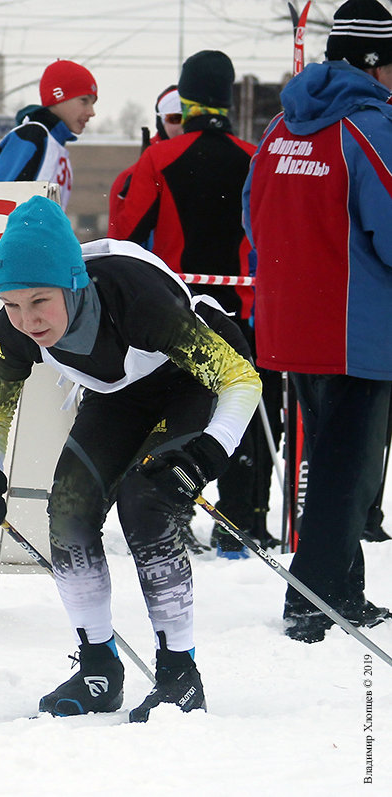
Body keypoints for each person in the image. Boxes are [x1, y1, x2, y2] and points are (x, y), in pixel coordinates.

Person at [0, 195, 262, 721]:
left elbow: (240, 380)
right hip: (118, 394)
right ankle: (99, 669)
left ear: (73, 284)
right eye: (10, 304)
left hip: (190, 382)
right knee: (68, 511)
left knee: (146, 501)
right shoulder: (15, 326)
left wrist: (206, 454)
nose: (26, 320)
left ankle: (179, 675)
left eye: (38, 302)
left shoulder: (134, 296)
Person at [242, 0, 392, 643]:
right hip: (358, 329)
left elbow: (252, 217)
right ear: (371, 63)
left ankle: (343, 593)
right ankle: (310, 600)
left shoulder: (282, 128)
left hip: (292, 326)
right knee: (348, 471)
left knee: (333, 462)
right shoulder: (372, 129)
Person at [113, 50, 281, 556]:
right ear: (227, 99)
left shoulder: (159, 158)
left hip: (179, 310)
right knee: (247, 410)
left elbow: (124, 238)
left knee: (183, 412)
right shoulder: (256, 156)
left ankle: (171, 515)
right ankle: (242, 526)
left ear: (183, 100)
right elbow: (273, 233)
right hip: (245, 308)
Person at [0, 59, 98, 209]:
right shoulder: (32, 136)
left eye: (93, 103)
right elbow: (0, 202)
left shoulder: (55, 145)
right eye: (84, 101)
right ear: (59, 97)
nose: (91, 112)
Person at [108, 84, 183, 238]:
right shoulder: (130, 177)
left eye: (191, 118)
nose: (183, 126)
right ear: (161, 121)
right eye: (175, 118)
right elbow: (118, 240)